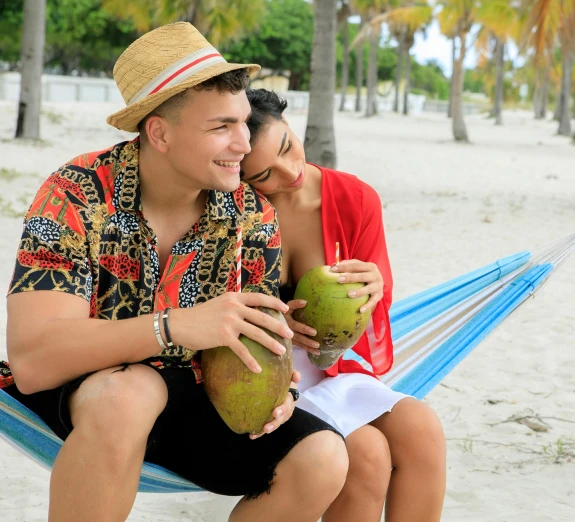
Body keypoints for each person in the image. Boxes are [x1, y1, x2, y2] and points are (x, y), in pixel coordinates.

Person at [0, 23, 347, 522]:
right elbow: (33, 361)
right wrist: (175, 326)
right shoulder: (76, 193)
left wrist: (279, 390)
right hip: (85, 385)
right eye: (221, 127)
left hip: (193, 392)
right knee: (132, 393)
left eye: (245, 122)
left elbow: (259, 339)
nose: (244, 145)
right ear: (159, 133)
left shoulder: (251, 215)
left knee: (322, 456)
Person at [239, 88, 447, 522]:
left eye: (287, 146)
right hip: (264, 374)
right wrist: (273, 320)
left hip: (330, 363)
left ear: (289, 125)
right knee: (367, 455)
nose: (290, 171)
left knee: (423, 430)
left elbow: (376, 304)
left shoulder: (355, 199)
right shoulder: (233, 213)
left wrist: (373, 287)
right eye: (264, 176)